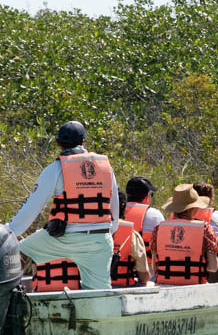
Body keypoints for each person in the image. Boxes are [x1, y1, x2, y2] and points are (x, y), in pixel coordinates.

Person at [9, 121, 118, 291]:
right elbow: (114, 207)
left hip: (64, 238)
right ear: (84, 141)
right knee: (100, 291)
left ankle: (7, 292)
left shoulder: (55, 169)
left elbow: (32, 207)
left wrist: (9, 232)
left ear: (59, 143)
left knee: (17, 252)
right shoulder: (106, 168)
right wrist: (109, 232)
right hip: (99, 239)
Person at [146, 183, 218, 286]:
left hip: (163, 285)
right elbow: (213, 267)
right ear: (193, 209)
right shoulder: (205, 229)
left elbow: (154, 267)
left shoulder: (158, 229)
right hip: (195, 285)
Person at [109, 189, 152, 287]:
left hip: (95, 286)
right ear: (124, 208)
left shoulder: (91, 233)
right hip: (122, 287)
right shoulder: (131, 235)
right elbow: (144, 277)